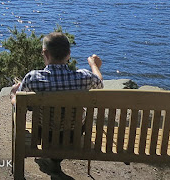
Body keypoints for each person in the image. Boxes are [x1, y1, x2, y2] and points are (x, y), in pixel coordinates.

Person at [10, 32, 103, 175]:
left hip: (44, 135)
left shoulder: (33, 78)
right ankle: (55, 160)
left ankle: (51, 158)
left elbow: (20, 105)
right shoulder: (84, 77)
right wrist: (94, 65)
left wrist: (13, 94)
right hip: (74, 136)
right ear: (69, 54)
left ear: (45, 53)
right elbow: (100, 84)